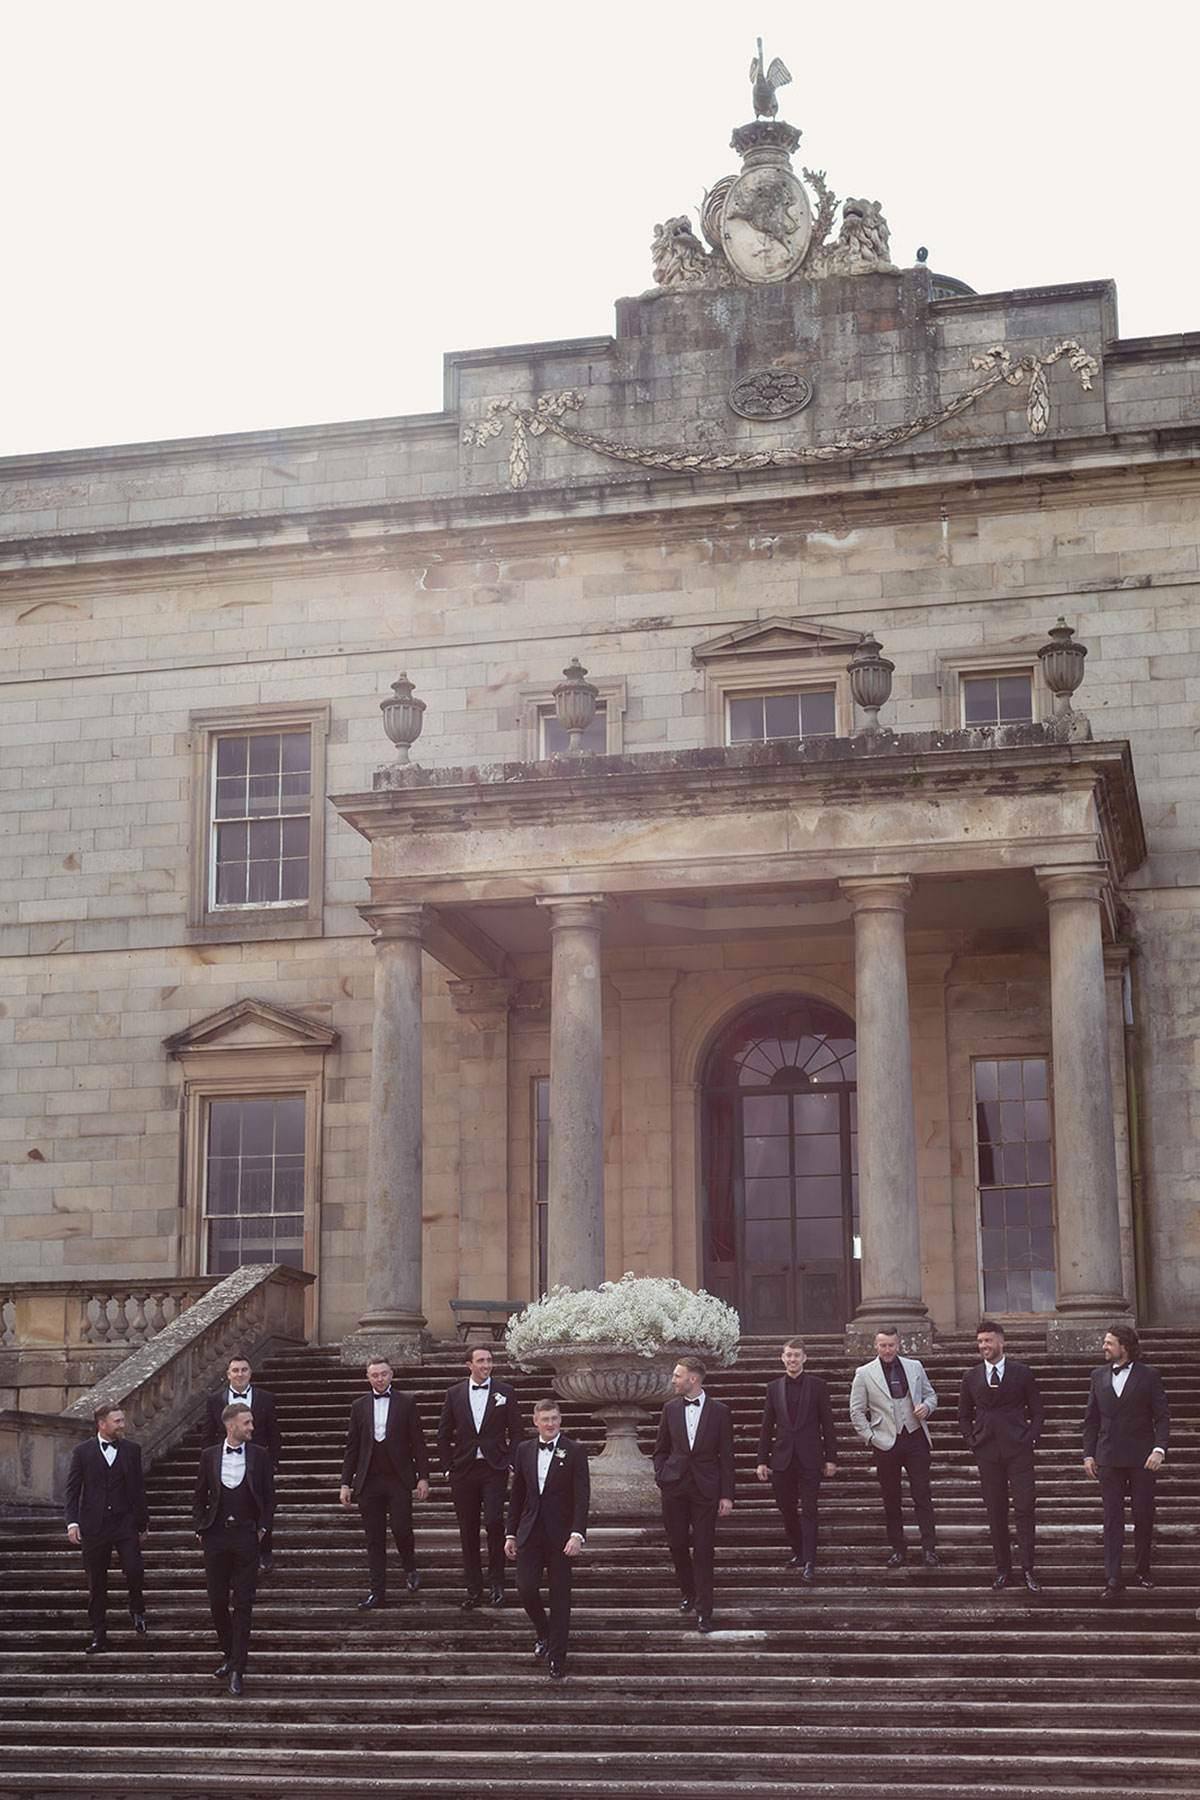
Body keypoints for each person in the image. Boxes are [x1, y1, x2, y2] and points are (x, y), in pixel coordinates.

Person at [1083, 1323, 1170, 1599]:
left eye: (1109, 1343)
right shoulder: (1097, 1376)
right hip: (1108, 1457)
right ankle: (1113, 1578)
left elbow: (1163, 1417)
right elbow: (1091, 1420)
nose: (1104, 1347)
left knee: (1143, 1515)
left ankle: (1142, 1571)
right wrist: (1088, 1453)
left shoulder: (1149, 1376)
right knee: (1112, 1518)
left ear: (1125, 1346)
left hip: (1142, 1457)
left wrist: (1159, 1449)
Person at [193, 1402, 275, 1695]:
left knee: (243, 1604)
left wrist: (263, 1529)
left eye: (252, 1422)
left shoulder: (261, 1455)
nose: (252, 1427)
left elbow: (269, 1497)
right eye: (247, 1423)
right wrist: (200, 1527)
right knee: (217, 1602)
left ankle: (238, 1667)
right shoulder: (209, 1456)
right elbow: (199, 1495)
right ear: (231, 1426)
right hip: (215, 1537)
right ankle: (229, 1655)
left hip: (246, 1538)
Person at [504, 1399, 590, 1679]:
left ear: (560, 1419)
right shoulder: (523, 1450)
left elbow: (582, 1496)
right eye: (545, 1419)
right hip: (530, 1533)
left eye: (555, 1418)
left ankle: (557, 1656)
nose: (551, 1423)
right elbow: (517, 1494)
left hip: (561, 1536)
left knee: (560, 1597)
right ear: (535, 1422)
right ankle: (544, 1630)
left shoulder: (575, 1451)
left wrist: (577, 1534)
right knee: (525, 1587)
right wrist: (511, 1532)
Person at [957, 1319, 1045, 1592]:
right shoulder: (970, 1376)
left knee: (1024, 1508)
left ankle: (1028, 1569)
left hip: (1018, 1450)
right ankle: (1003, 1570)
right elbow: (963, 1414)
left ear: (1001, 1342)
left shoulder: (1021, 1373)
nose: (984, 1346)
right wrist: (972, 1441)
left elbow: (1039, 1411)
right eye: (981, 1341)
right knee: (995, 1512)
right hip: (987, 1451)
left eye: (989, 1341)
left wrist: (1030, 1438)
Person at [340, 1357, 430, 1609]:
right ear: (368, 1377)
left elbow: (418, 1442)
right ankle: (377, 1592)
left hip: (398, 1478)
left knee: (402, 1528)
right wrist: (345, 1483)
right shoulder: (359, 1406)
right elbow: (352, 1447)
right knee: (374, 1538)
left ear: (392, 1374)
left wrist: (423, 1476)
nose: (379, 1379)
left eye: (383, 1374)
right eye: (374, 1375)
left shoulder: (406, 1402)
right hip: (369, 1480)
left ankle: (409, 1566)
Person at [653, 1355, 735, 1633]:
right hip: (674, 1486)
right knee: (676, 1544)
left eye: (677, 1375)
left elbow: (727, 1457)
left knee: (703, 1550)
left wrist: (727, 1495)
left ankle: (704, 1611)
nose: (673, 1380)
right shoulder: (669, 1409)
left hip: (706, 1489)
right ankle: (688, 1592)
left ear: (693, 1379)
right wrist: (662, 1476)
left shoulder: (721, 1412)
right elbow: (660, 1449)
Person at [849, 1325, 940, 1567]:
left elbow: (931, 1395)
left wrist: (928, 1407)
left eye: (891, 1345)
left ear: (898, 1344)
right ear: (875, 1346)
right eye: (883, 1345)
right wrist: (870, 1437)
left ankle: (929, 1549)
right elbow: (856, 1411)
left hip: (915, 1438)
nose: (887, 1350)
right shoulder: (864, 1373)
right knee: (891, 1497)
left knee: (922, 1494)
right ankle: (898, 1549)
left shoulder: (915, 1367)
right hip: (885, 1441)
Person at [437, 1344, 520, 1609]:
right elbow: (443, 1434)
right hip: (463, 1471)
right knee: (468, 1530)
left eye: (489, 1360)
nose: (486, 1365)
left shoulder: (506, 1392)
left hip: (494, 1469)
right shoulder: (454, 1394)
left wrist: (511, 1461)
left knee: (495, 1523)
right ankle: (474, 1589)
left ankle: (497, 1584)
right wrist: (448, 1467)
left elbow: (517, 1432)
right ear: (468, 1365)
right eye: (481, 1361)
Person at [64, 1403, 149, 1655]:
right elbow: (72, 1489)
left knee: (134, 1569)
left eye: (122, 1420)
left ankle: (136, 1607)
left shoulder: (132, 1450)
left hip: (125, 1522)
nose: (122, 1425)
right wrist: (72, 1522)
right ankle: (99, 1634)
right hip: (94, 1525)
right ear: (102, 1424)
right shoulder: (83, 1452)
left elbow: (138, 1489)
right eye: (118, 1421)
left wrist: (143, 1523)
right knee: (96, 1583)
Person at [755, 1335, 837, 1583]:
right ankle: (799, 1552)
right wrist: (761, 1460)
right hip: (781, 1459)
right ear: (783, 1358)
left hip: (811, 1458)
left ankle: (810, 1560)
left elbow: (828, 1425)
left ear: (805, 1358)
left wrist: (831, 1458)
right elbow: (767, 1426)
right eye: (789, 1355)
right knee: (787, 1509)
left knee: (810, 1510)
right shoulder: (773, 1388)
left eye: (797, 1355)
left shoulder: (818, 1386)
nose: (793, 1359)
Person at [201, 1353, 282, 1570]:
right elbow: (208, 1434)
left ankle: (265, 1552)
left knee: (263, 1504)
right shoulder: (215, 1399)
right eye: (235, 1370)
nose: (240, 1374)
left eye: (244, 1370)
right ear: (228, 1374)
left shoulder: (265, 1398)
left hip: (258, 1462)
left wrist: (273, 1461)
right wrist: (209, 1462)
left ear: (250, 1372)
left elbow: (274, 1433)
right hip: (226, 1460)